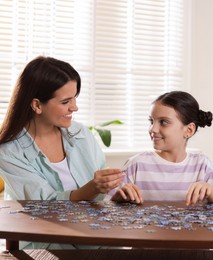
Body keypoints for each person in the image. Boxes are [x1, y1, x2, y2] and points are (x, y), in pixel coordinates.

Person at [0, 56, 124, 248]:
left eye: (75, 98)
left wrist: (116, 190)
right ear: (37, 105)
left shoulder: (81, 134)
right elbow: (45, 206)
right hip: (45, 244)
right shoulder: (8, 151)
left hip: (94, 237)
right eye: (66, 101)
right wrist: (93, 188)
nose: (74, 107)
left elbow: (103, 194)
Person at [108, 91, 213, 206]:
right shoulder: (136, 164)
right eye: (151, 121)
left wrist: (211, 191)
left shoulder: (202, 164)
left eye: (163, 122)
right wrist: (119, 198)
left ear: (189, 130)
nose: (153, 129)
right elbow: (107, 204)